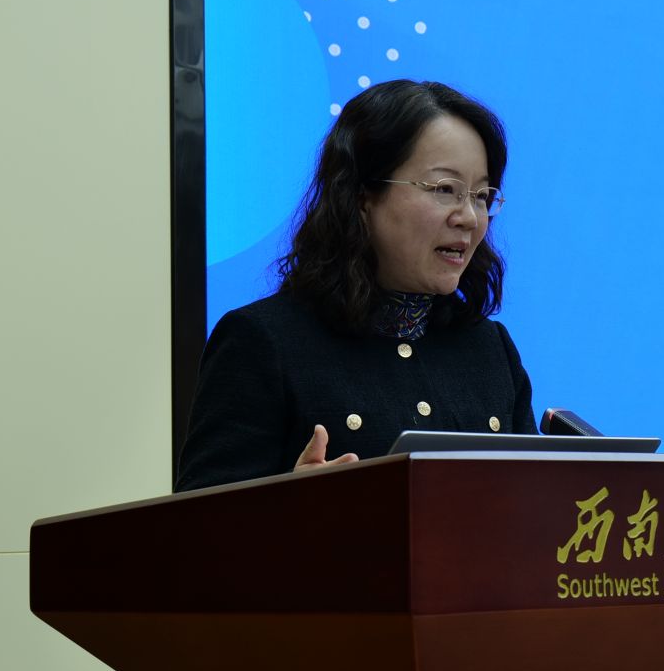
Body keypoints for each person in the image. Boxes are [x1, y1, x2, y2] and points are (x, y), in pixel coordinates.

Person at [177, 80, 533, 491]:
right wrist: (283, 506)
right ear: (363, 196)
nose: (469, 217)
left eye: (481, 195)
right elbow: (193, 525)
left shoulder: (490, 349)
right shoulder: (263, 342)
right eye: (444, 190)